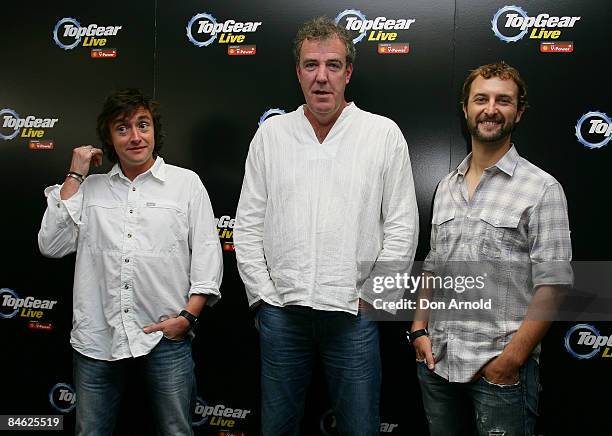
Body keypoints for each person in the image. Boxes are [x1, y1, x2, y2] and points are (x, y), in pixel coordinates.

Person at [234, 16, 419, 436]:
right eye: (311, 65)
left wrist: (374, 298)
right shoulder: (271, 135)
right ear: (297, 71)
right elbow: (246, 225)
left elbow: (402, 225)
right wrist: (265, 298)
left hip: (354, 315)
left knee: (360, 428)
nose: (322, 77)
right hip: (283, 313)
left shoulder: (382, 134)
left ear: (348, 72)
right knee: (277, 427)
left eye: (333, 65)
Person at [38, 89, 223, 436]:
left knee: (177, 431)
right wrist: (74, 176)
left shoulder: (186, 184)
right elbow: (51, 245)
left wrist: (186, 318)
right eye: (123, 128)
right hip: (97, 340)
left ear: (154, 131)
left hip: (165, 337)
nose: (136, 136)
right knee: (91, 431)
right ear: (109, 137)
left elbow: (208, 256)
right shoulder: (89, 189)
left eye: (143, 125)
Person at [410, 62, 573, 435]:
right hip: (438, 365)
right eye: (481, 98)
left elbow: (554, 285)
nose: (491, 109)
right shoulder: (446, 188)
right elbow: (433, 266)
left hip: (499, 374)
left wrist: (510, 360)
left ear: (519, 111)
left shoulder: (542, 189)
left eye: (503, 100)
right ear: (465, 108)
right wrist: (419, 330)